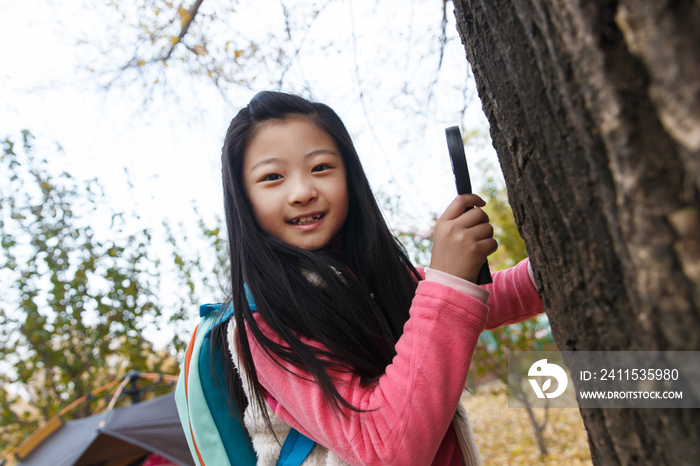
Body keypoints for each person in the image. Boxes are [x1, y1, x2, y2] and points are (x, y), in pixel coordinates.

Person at [212, 90, 544, 466]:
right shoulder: (266, 323)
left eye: (321, 167)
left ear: (350, 178)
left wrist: (547, 266)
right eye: (272, 177)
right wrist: (448, 280)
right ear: (243, 199)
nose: (303, 192)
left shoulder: (367, 276)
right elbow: (385, 451)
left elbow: (479, 302)